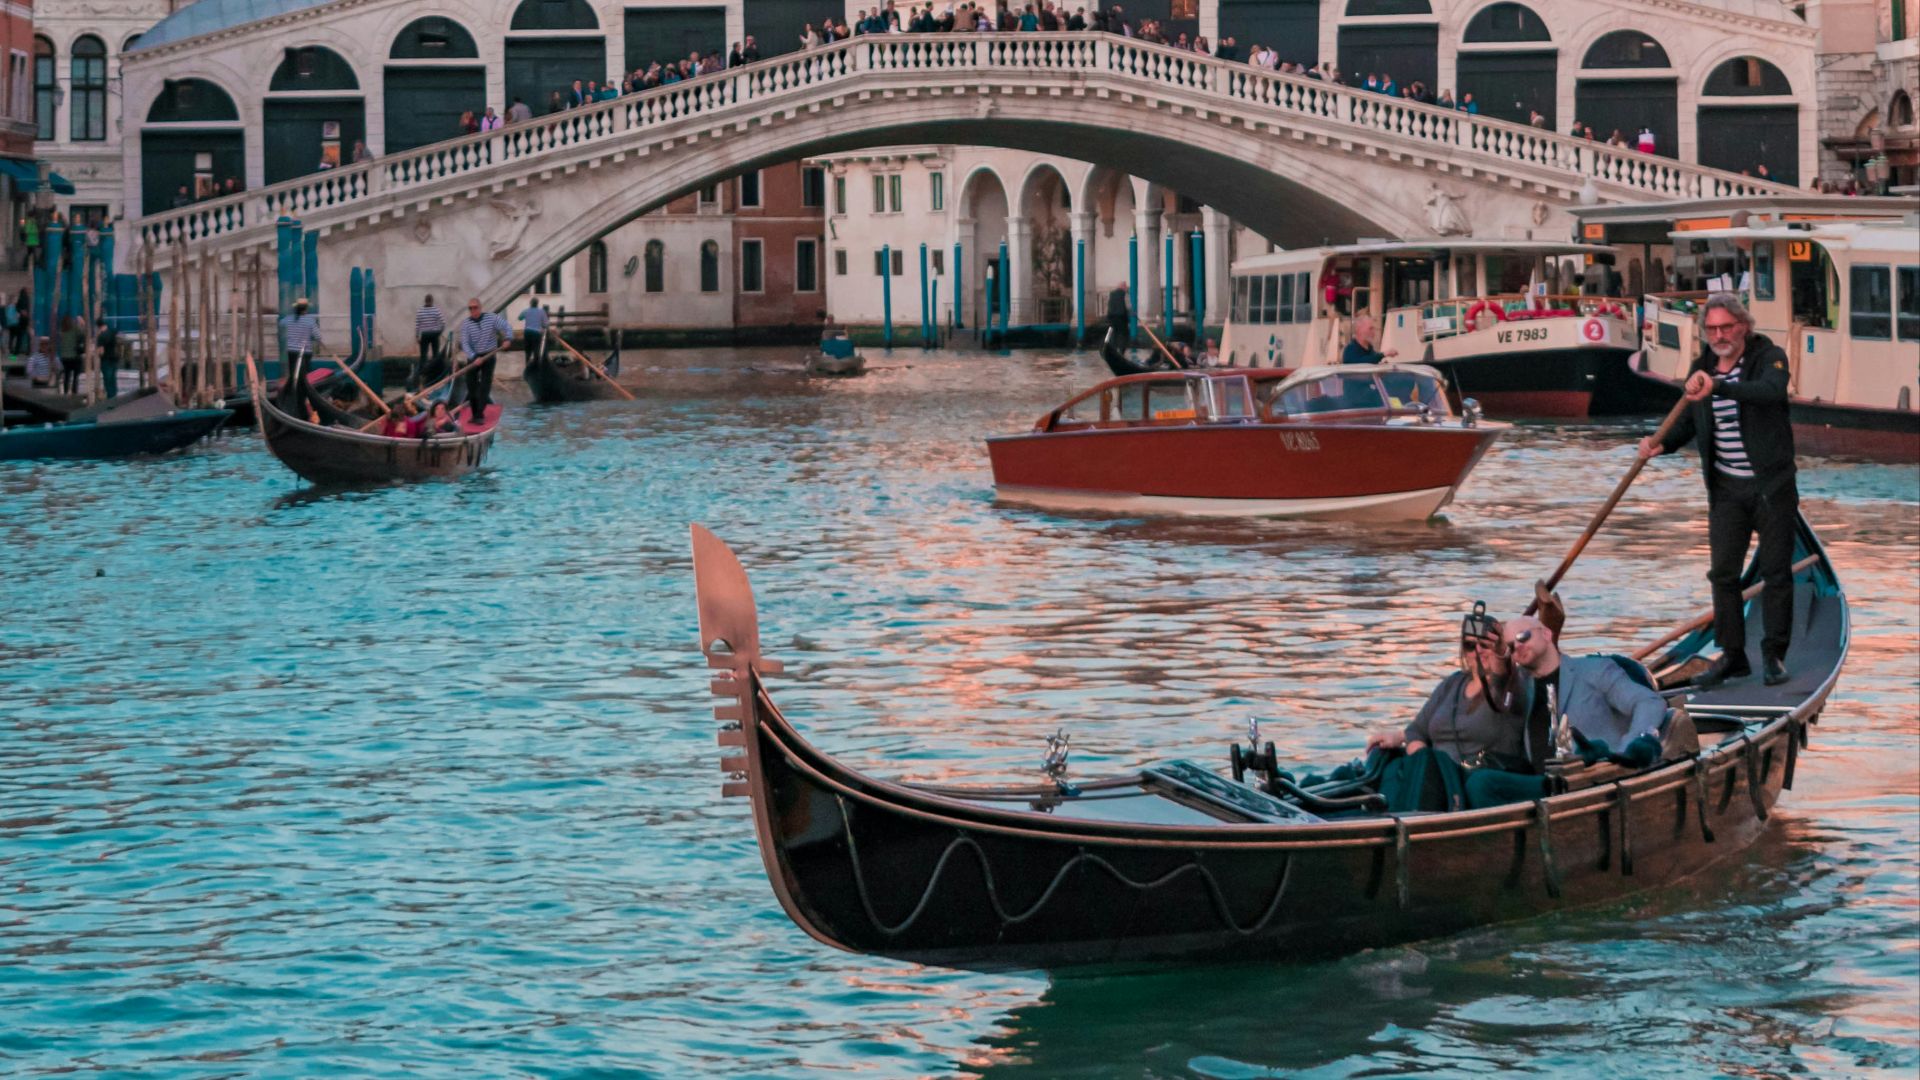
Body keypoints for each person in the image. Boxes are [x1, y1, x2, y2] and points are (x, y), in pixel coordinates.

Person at [1637, 293, 1798, 687]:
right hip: (1726, 490)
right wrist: (1661, 444)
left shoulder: (1770, 358)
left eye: (1727, 327)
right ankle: (1733, 655)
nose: (1720, 335)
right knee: (1723, 574)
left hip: (1771, 488)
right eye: (1712, 329)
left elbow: (1770, 391)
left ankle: (1774, 655)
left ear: (1743, 326)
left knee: (1776, 572)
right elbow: (1689, 421)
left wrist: (1719, 387)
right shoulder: (1701, 369)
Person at [1502, 615, 1668, 769]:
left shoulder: (1595, 670)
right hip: (1541, 783)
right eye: (1510, 646)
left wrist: (1630, 746)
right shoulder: (1516, 688)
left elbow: (1649, 703)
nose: (1517, 646)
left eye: (1523, 636)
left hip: (1599, 775)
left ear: (1546, 634)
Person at [456, 298, 512, 419]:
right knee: (470, 384)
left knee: (485, 385)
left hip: (489, 355)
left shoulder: (492, 318)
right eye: (470, 308)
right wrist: (474, 357)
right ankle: (475, 412)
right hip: (474, 356)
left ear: (480, 308)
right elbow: (465, 344)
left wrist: (508, 338)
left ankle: (479, 414)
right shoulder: (466, 324)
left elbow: (507, 326)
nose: (473, 310)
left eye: (475, 307)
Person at [280, 298, 321, 374]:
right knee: (304, 373)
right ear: (306, 309)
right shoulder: (310, 321)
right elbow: (318, 336)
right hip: (305, 351)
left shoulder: (288, 319)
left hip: (291, 350)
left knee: (292, 371)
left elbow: (281, 323)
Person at [414, 294, 446, 390]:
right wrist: (440, 331)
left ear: (425, 301)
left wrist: (417, 336)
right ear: (432, 301)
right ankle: (436, 373)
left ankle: (422, 375)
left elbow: (417, 325)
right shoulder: (436, 310)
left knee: (423, 355)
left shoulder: (420, 311)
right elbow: (443, 322)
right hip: (435, 334)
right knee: (435, 354)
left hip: (425, 335)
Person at [57, 315, 83, 394]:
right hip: (74, 356)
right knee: (75, 376)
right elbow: (82, 335)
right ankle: (74, 391)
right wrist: (81, 324)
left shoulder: (61, 331)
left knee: (66, 376)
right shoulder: (75, 329)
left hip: (64, 357)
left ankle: (65, 391)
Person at [519, 297, 549, 365]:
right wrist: (541, 325)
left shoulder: (526, 311)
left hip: (527, 332)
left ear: (530, 303)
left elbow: (520, 318)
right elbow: (546, 324)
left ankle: (527, 365)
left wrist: (526, 316)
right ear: (537, 303)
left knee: (528, 350)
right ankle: (535, 366)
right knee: (536, 350)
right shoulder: (541, 311)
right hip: (536, 333)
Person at [94, 317, 119, 399]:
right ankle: (115, 396)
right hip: (114, 358)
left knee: (107, 380)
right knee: (113, 379)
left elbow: (101, 351)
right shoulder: (112, 332)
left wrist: (97, 353)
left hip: (106, 360)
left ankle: (110, 398)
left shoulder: (101, 337)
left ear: (98, 326)